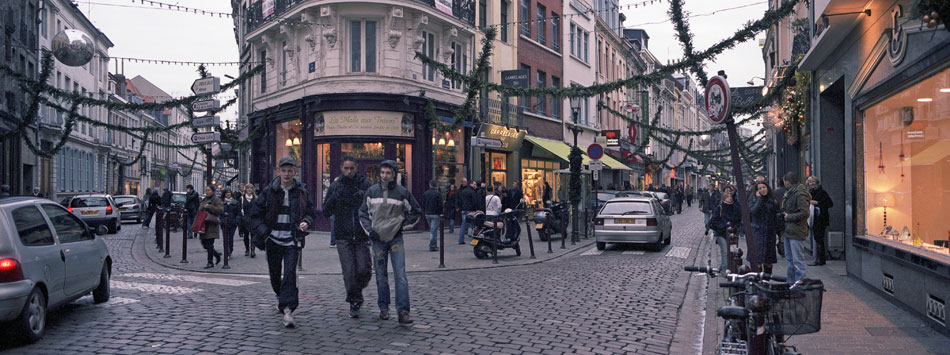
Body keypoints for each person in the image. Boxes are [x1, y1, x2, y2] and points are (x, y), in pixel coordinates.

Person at [247, 156, 316, 328]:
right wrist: (266, 234)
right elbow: (255, 216)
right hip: (273, 240)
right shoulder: (269, 191)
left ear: (295, 172)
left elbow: (310, 212)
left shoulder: (301, 192)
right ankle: (280, 297)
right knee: (275, 275)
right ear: (279, 172)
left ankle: (288, 310)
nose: (286, 174)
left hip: (292, 240)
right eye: (283, 170)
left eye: (290, 170)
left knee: (290, 273)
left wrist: (306, 222)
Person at [358, 160, 421, 325]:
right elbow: (363, 212)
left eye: (388, 173)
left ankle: (403, 311)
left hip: (395, 239)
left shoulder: (402, 193)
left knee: (400, 275)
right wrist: (370, 231)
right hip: (377, 240)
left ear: (394, 174)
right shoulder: (371, 191)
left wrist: (402, 226)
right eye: (383, 173)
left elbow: (416, 211)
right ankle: (383, 308)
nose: (385, 176)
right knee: (380, 275)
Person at [323, 156, 373, 318]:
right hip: (343, 235)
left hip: (361, 235)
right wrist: (335, 198)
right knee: (349, 271)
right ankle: (354, 301)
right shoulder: (336, 186)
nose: (349, 171)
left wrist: (363, 196)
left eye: (352, 168)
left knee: (365, 269)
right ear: (341, 168)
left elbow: (374, 207)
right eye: (346, 168)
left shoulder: (365, 185)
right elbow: (326, 211)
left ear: (357, 168)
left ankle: (357, 291)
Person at [781, 172, 811, 285]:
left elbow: (804, 212)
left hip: (797, 230)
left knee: (797, 260)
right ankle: (791, 283)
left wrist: (789, 217)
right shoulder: (790, 192)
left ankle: (799, 283)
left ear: (787, 182)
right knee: (790, 259)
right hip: (789, 230)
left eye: (784, 182)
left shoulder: (799, 194)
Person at [708, 186, 741, 271]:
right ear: (724, 198)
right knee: (725, 252)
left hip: (733, 235)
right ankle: (725, 269)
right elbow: (713, 222)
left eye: (730, 197)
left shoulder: (735, 207)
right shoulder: (720, 207)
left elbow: (738, 219)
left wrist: (736, 228)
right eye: (727, 197)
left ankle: (729, 267)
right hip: (721, 234)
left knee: (733, 251)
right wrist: (723, 227)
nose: (729, 198)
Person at [749, 182, 779, 274]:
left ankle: (766, 281)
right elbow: (753, 212)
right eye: (760, 188)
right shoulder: (753, 200)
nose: (762, 189)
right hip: (757, 233)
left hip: (769, 233)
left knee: (768, 262)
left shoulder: (772, 199)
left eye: (764, 187)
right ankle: (758, 282)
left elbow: (775, 215)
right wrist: (759, 199)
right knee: (757, 261)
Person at [806, 176, 833, 266]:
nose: (812, 183)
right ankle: (820, 259)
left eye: (813, 181)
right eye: (810, 182)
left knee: (819, 238)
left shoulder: (822, 192)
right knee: (817, 238)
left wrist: (817, 203)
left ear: (817, 182)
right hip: (813, 219)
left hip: (821, 219)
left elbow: (830, 203)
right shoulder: (809, 193)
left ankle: (820, 259)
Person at [197, 185, 224, 269]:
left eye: (208, 190)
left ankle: (210, 262)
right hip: (203, 225)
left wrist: (209, 206)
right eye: (206, 190)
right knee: (204, 243)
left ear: (212, 191)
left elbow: (220, 210)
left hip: (211, 224)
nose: (207, 192)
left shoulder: (216, 200)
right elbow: (199, 209)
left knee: (209, 244)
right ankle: (216, 254)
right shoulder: (204, 199)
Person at [422, 180, 443, 252]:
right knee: (433, 230)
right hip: (435, 214)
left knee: (432, 230)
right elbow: (440, 204)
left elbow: (423, 203)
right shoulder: (438, 193)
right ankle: (432, 246)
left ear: (430, 185)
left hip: (428, 213)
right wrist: (440, 212)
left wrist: (425, 211)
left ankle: (433, 245)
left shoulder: (425, 193)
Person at [222, 189, 241, 258]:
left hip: (233, 223)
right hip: (224, 224)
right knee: (225, 238)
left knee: (230, 238)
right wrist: (221, 220)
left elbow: (238, 213)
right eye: (226, 193)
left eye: (229, 192)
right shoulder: (222, 203)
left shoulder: (236, 202)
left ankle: (230, 250)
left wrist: (236, 221)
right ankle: (227, 252)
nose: (228, 194)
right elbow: (219, 213)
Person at [456, 178, 477, 245]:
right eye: (474, 184)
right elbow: (474, 202)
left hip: (464, 210)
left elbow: (460, 200)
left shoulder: (463, 191)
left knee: (463, 225)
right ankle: (475, 240)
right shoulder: (472, 192)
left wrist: (460, 207)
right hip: (470, 210)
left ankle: (460, 239)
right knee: (474, 225)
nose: (475, 185)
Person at [240, 184, 257, 258]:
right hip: (245, 219)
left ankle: (253, 250)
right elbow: (240, 208)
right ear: (245, 190)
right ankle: (247, 249)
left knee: (253, 235)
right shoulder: (242, 198)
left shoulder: (255, 198)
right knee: (246, 235)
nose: (249, 190)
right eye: (248, 188)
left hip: (253, 219)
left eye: (251, 188)